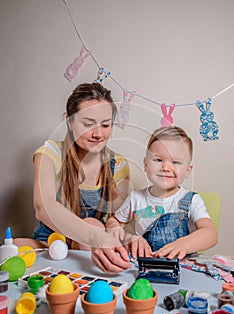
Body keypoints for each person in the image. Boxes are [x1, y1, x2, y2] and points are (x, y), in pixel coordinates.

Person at [15, 82, 135, 273]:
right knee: (15, 247)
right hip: (54, 241)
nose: (98, 134)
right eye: (88, 124)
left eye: (105, 125)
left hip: (90, 250)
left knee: (94, 225)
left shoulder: (118, 165)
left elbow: (115, 221)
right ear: (69, 121)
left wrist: (124, 237)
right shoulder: (50, 152)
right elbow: (43, 208)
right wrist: (94, 237)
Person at [106, 126, 218, 260]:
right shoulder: (136, 198)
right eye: (158, 160)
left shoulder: (191, 200)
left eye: (175, 162)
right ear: (146, 164)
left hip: (182, 265)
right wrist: (120, 232)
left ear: (188, 170)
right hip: (145, 261)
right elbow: (114, 221)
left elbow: (210, 234)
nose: (165, 168)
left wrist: (182, 245)